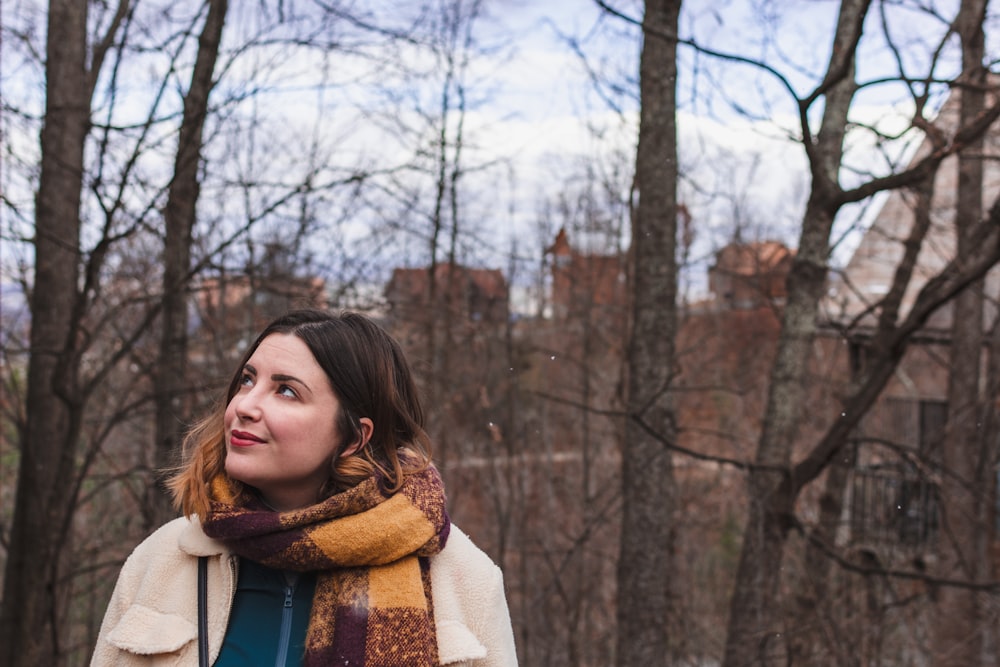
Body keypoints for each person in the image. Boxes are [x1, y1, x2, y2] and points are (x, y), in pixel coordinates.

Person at [91, 309, 517, 666]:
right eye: (247, 380)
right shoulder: (164, 561)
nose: (245, 406)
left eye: (286, 391)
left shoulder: (463, 578)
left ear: (355, 436)